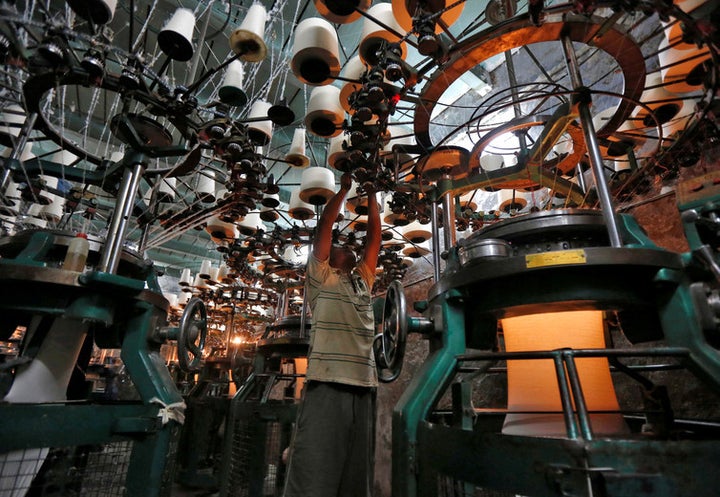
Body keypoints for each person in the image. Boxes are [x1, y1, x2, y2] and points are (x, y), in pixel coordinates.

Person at [283, 172, 382, 497]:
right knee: (313, 472)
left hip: (364, 385)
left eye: (348, 244)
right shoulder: (320, 278)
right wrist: (342, 190)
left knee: (357, 477)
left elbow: (374, 240)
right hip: (327, 382)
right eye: (340, 245)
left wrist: (371, 197)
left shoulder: (362, 281)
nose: (346, 245)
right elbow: (325, 226)